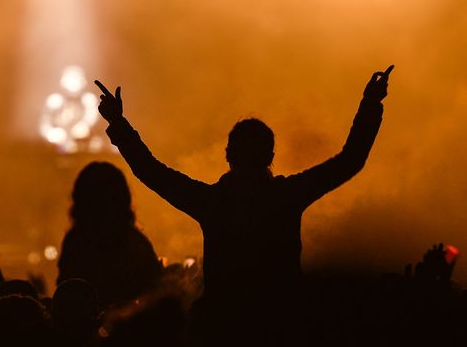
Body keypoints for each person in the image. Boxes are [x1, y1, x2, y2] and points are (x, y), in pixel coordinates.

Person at [94, 66, 393, 342]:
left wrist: (118, 124)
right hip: (280, 329)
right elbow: (349, 161)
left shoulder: (213, 202)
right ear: (270, 157)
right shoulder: (286, 196)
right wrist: (370, 104)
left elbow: (151, 171)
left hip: (223, 331)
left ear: (228, 155)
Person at [57, 162, 162, 308]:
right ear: (123, 197)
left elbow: (65, 292)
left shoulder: (75, 242)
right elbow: (154, 291)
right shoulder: (136, 242)